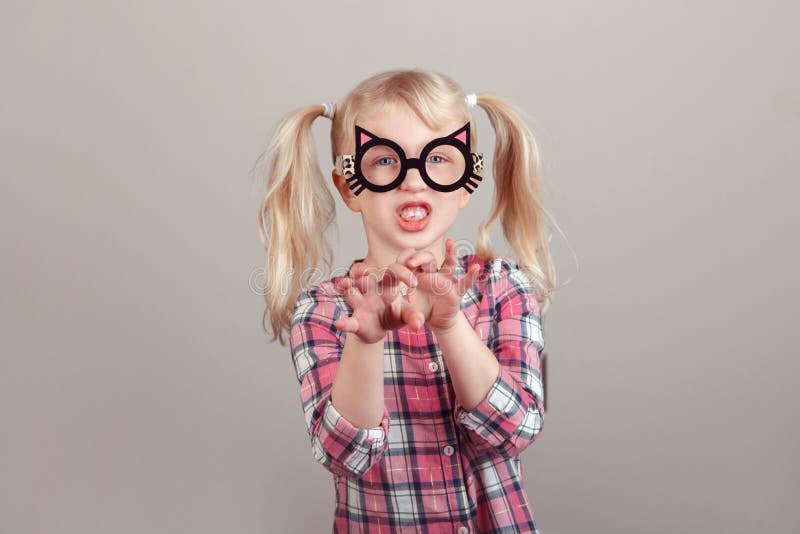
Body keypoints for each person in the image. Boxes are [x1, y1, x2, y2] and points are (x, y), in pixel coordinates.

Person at [257, 69, 557, 533]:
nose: (413, 182)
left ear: (465, 182)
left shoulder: (503, 288)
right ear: (348, 187)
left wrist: (451, 325)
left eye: (438, 158)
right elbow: (344, 454)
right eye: (383, 161)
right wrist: (367, 341)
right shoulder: (324, 312)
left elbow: (514, 430)